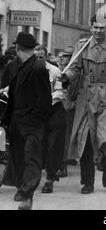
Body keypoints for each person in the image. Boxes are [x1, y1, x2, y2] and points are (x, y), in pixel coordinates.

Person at [59, 15, 106, 194]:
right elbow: (74, 69)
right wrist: (66, 76)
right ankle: (87, 183)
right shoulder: (82, 47)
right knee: (86, 143)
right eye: (95, 28)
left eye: (102, 28)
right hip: (87, 98)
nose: (98, 31)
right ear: (91, 28)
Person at [2, 33, 52, 210]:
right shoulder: (13, 66)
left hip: (33, 124)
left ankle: (26, 192)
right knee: (18, 159)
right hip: (15, 121)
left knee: (31, 157)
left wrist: (38, 121)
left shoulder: (38, 67)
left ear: (17, 48)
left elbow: (45, 100)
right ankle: (26, 196)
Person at [34, 45, 66, 194]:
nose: (38, 60)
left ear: (46, 57)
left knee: (53, 146)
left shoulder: (55, 71)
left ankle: (50, 179)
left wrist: (45, 100)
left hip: (53, 112)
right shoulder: (28, 71)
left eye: (41, 57)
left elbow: (60, 92)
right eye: (36, 57)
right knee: (35, 145)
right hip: (36, 114)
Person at [56, 46, 79, 178]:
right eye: (61, 56)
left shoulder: (74, 73)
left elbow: (74, 91)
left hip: (67, 108)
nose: (61, 58)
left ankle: (63, 165)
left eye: (65, 56)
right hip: (54, 107)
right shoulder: (56, 70)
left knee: (65, 138)